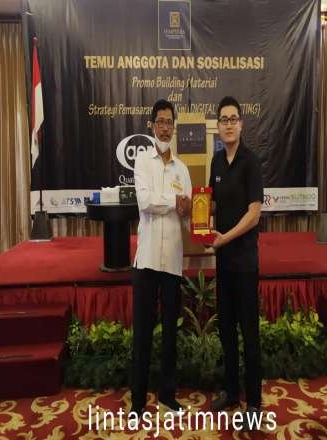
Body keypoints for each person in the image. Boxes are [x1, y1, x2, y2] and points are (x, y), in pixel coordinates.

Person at [130, 99, 192, 417]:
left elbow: (187, 215)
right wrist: (175, 201)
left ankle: (168, 396)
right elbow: (145, 201)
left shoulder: (183, 169)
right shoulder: (143, 161)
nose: (165, 127)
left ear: (174, 126)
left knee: (170, 333)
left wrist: (199, 220)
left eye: (169, 122)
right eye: (160, 122)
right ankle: (137, 401)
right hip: (147, 260)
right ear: (152, 125)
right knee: (142, 332)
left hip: (172, 262)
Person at [209, 96, 264, 431]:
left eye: (233, 119)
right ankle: (231, 392)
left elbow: (254, 214)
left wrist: (224, 238)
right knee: (227, 330)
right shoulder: (216, 162)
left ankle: (254, 402)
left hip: (244, 262)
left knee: (249, 333)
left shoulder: (251, 162)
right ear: (218, 126)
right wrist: (193, 209)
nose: (229, 124)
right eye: (224, 119)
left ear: (241, 124)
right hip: (223, 263)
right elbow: (213, 205)